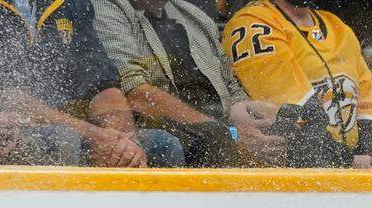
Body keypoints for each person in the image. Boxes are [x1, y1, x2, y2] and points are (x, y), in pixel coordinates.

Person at [0, 0, 182, 166]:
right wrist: (94, 134)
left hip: (70, 125)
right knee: (62, 140)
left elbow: (102, 85)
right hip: (5, 124)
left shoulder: (72, 4)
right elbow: (8, 97)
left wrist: (122, 145)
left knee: (163, 145)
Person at [94, 0, 286, 166]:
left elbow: (232, 88)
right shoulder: (108, 7)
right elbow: (137, 94)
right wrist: (230, 133)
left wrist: (252, 114)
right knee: (209, 141)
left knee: (294, 127)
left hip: (221, 125)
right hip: (173, 129)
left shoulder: (194, 15)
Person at [222, 0, 372, 169]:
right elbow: (296, 116)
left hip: (344, 168)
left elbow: (371, 108)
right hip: (276, 177)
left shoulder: (338, 27)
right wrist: (347, 162)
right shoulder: (252, 23)